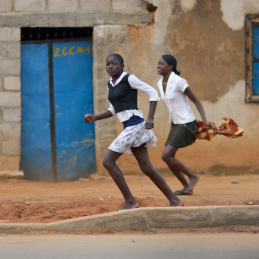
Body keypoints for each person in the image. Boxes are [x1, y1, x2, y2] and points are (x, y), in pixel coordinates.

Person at [84, 53, 183, 210]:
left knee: (108, 162)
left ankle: (130, 201)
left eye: (114, 63)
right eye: (107, 64)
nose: (110, 66)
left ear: (122, 66)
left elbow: (152, 93)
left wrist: (151, 118)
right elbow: (113, 109)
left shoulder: (129, 79)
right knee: (146, 168)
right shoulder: (110, 83)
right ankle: (174, 200)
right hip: (129, 126)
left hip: (135, 125)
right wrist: (95, 118)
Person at [157, 55, 214, 195]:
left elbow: (196, 100)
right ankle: (187, 187)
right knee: (169, 158)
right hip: (175, 124)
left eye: (162, 64)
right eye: (158, 63)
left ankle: (193, 177)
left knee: (166, 156)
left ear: (170, 66)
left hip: (186, 123)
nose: (158, 66)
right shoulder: (160, 83)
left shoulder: (178, 81)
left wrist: (204, 120)